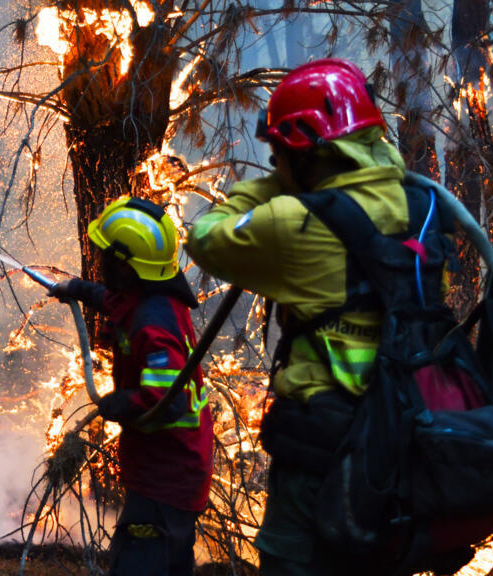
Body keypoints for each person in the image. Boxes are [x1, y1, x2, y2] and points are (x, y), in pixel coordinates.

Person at [184, 58, 413, 575]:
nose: (274, 161)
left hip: (321, 449)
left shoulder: (298, 221)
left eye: (278, 153)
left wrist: (272, 188)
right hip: (402, 437)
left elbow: (206, 236)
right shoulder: (419, 206)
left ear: (307, 153)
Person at [49, 196, 213, 576]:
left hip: (166, 477)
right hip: (171, 470)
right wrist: (79, 289)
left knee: (138, 563)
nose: (102, 261)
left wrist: (122, 402)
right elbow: (116, 302)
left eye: (107, 255)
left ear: (125, 263)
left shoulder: (154, 325)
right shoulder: (150, 298)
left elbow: (166, 402)